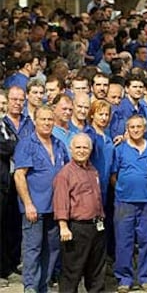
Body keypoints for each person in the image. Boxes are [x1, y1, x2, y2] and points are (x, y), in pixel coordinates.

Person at [14, 105, 69, 293]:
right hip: (34, 208)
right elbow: (19, 175)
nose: (47, 123)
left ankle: (43, 287)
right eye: (43, 119)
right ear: (35, 121)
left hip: (55, 207)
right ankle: (30, 288)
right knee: (33, 249)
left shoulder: (59, 144)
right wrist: (28, 204)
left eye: (49, 119)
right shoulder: (26, 143)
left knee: (52, 250)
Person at [111, 116, 147, 293]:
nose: (136, 130)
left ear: (145, 129)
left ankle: (146, 278)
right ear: (127, 129)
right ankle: (124, 278)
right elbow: (113, 174)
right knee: (124, 241)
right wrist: (122, 189)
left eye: (139, 126)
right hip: (124, 202)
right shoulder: (120, 149)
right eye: (132, 127)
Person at [52, 133, 106, 292]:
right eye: (78, 147)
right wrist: (63, 227)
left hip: (96, 226)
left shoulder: (92, 170)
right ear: (71, 149)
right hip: (76, 228)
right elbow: (60, 201)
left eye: (85, 147)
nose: (82, 151)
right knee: (72, 270)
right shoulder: (65, 174)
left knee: (96, 269)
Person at [0, 93, 18, 288]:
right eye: (1, 103)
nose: (3, 107)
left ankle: (5, 268)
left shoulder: (5, 125)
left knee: (5, 228)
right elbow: (7, 146)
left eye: (5, 103)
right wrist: (11, 146)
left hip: (6, 183)